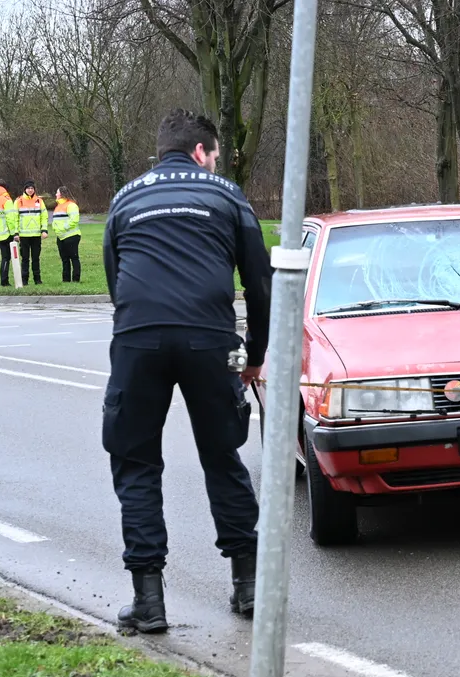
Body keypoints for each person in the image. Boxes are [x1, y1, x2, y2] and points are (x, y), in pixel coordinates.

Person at [101, 108, 271, 634]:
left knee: (136, 463)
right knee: (223, 456)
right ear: (201, 151)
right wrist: (254, 354)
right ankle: (248, 586)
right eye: (215, 155)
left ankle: (148, 599)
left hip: (138, 339)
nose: (215, 163)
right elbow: (260, 283)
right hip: (210, 339)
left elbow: (115, 280)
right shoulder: (227, 196)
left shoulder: (124, 199)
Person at [14, 181, 48, 285]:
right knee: (25, 259)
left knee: (36, 258)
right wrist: (16, 233)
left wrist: (44, 230)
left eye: (32, 188)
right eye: (28, 188)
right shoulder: (19, 201)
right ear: (25, 189)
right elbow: (15, 218)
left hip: (36, 235)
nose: (30, 190)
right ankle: (24, 280)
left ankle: (37, 279)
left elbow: (44, 216)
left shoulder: (39, 201)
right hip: (24, 235)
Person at [52, 187, 82, 282]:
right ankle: (66, 279)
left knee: (74, 258)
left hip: (71, 236)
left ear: (61, 194)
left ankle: (76, 279)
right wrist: (55, 228)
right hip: (60, 237)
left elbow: (74, 220)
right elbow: (56, 221)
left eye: (57, 192)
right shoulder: (58, 206)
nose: (56, 194)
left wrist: (63, 228)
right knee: (64, 259)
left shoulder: (71, 205)